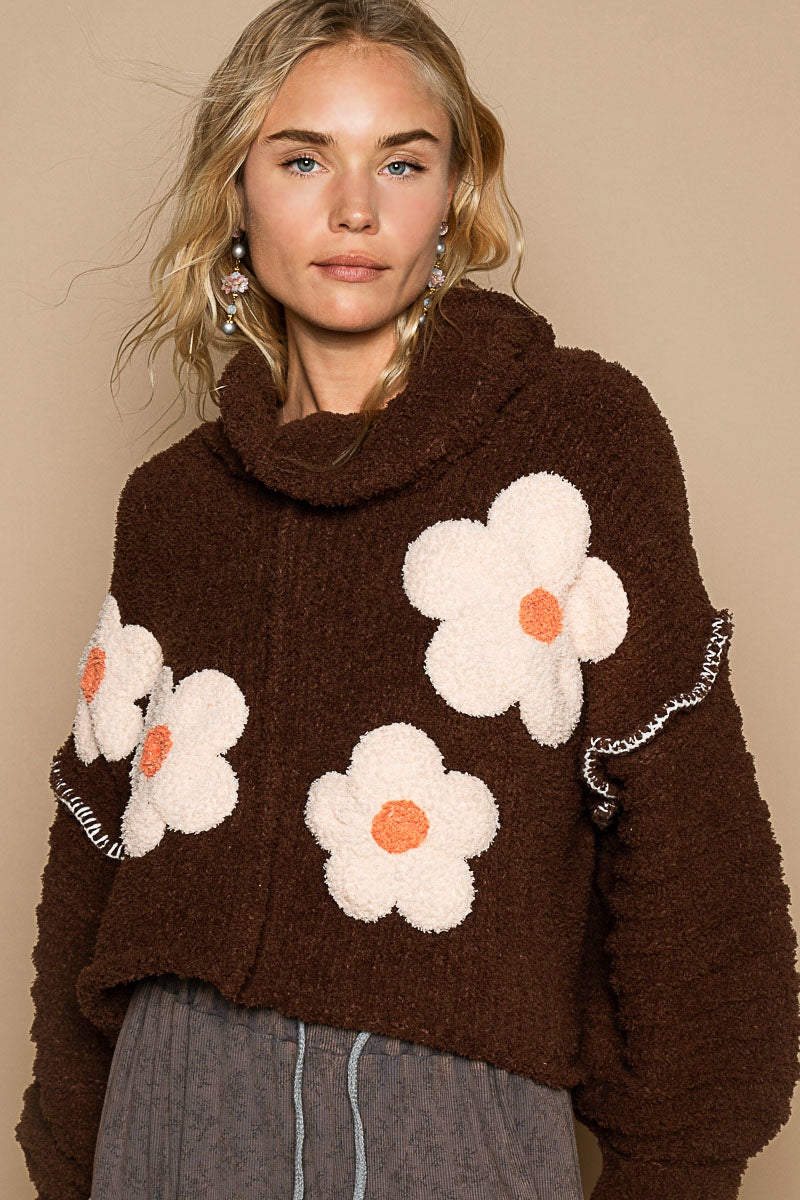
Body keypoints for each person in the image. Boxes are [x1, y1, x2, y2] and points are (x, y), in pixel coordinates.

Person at [16, 2, 800, 1199]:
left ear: (454, 196)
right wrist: (69, 1156)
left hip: (447, 1114)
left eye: (400, 161)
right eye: (301, 160)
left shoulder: (575, 442)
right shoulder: (171, 508)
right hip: (163, 1109)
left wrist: (677, 1164)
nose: (354, 210)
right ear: (234, 194)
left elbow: (689, 834)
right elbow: (93, 854)